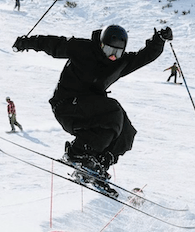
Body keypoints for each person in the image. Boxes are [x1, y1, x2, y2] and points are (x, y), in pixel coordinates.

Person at [12, 25, 173, 184]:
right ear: (101, 44)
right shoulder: (83, 49)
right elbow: (53, 44)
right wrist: (25, 42)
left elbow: (144, 56)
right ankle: (77, 153)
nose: (113, 56)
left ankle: (99, 163)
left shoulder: (120, 62)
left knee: (126, 131)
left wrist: (159, 40)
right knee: (113, 111)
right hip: (67, 104)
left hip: (90, 108)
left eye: (117, 52)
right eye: (110, 51)